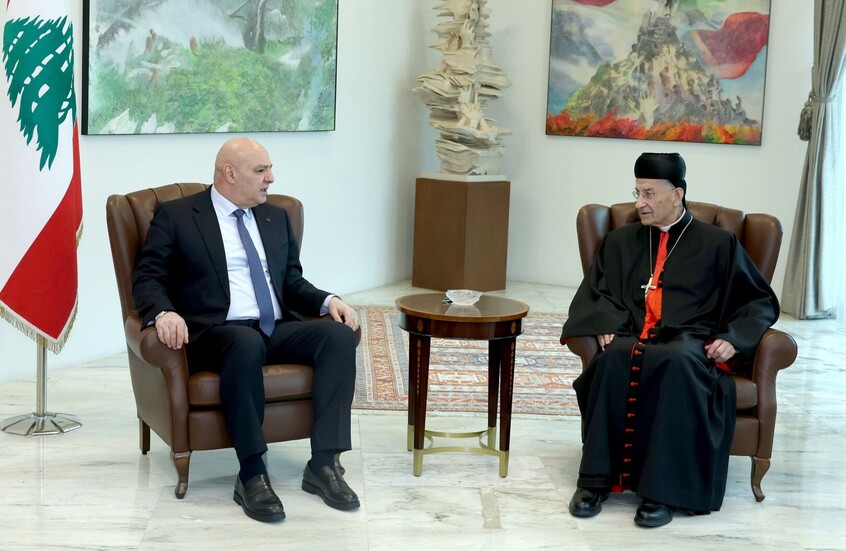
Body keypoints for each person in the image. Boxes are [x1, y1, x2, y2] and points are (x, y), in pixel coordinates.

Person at [132, 137, 360, 523]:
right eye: (261, 170)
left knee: (338, 337)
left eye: (270, 169)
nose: (271, 178)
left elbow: (291, 283)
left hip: (273, 329)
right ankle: (252, 473)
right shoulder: (178, 215)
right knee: (244, 341)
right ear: (230, 173)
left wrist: (328, 301)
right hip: (215, 333)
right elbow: (147, 277)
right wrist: (164, 312)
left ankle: (323, 465)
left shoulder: (275, 217)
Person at [560, 152, 779, 528]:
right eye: (637, 193)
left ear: (677, 194)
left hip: (690, 339)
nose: (639, 203)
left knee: (677, 361)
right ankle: (594, 480)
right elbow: (597, 292)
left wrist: (733, 338)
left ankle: (662, 492)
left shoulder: (719, 243)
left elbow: (757, 301)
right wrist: (604, 321)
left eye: (649, 194)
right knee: (613, 357)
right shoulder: (619, 241)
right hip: (634, 333)